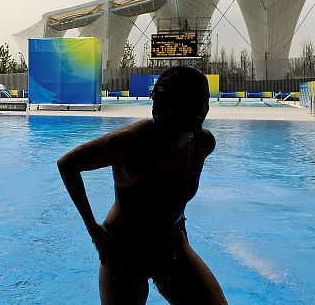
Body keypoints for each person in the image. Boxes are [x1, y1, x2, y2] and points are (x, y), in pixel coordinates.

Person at [57, 66, 226, 304]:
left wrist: (180, 219)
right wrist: (92, 227)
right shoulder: (134, 141)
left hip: (171, 244)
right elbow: (68, 164)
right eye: (191, 101)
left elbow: (175, 191)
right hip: (124, 248)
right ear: (166, 105)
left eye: (204, 100)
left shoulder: (203, 144)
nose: (201, 109)